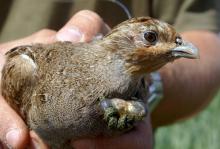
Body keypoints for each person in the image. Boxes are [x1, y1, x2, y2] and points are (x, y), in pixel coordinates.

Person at [0, 0, 220, 148]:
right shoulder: (32, 71)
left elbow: (210, 41)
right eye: (151, 38)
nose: (184, 47)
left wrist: (152, 87)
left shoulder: (134, 101)